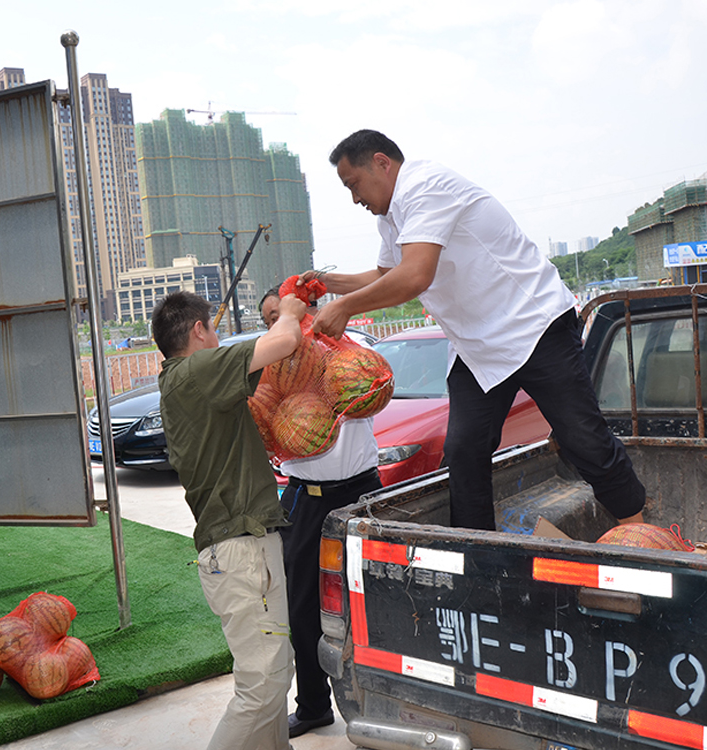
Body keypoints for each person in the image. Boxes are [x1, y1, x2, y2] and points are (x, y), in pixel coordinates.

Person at [303, 129, 645, 530]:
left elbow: (414, 276)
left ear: (382, 162)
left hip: (532, 327)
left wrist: (344, 307)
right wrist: (328, 284)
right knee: (464, 450)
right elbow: (386, 273)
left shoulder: (426, 187)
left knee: (582, 437)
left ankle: (640, 531)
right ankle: (477, 550)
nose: (355, 199)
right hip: (475, 347)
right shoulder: (391, 217)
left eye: (353, 184)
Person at [152, 289, 307, 750]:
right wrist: (292, 312)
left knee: (274, 679)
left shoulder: (182, 380)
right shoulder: (195, 371)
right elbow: (283, 343)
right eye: (213, 330)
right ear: (198, 330)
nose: (218, 338)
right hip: (241, 550)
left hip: (244, 547)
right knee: (261, 689)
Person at [259, 288, 382, 738]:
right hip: (303, 499)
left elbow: (374, 387)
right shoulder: (272, 374)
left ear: (308, 312)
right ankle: (313, 705)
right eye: (271, 318)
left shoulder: (350, 352)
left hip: (361, 494)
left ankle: (381, 703)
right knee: (302, 608)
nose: (281, 321)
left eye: (285, 312)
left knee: (372, 602)